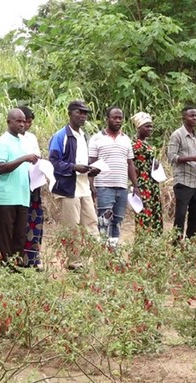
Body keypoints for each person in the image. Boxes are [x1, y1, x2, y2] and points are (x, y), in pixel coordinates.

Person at [48, 100, 100, 270]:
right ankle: (74, 262)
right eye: (79, 112)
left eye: (85, 113)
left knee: (91, 223)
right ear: (70, 113)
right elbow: (54, 162)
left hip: (84, 186)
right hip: (68, 188)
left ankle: (97, 259)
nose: (83, 116)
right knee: (72, 227)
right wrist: (73, 168)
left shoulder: (83, 136)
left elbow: (82, 162)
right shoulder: (61, 136)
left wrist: (90, 171)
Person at [88, 106, 139, 248]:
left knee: (117, 220)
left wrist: (135, 185)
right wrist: (91, 185)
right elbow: (91, 164)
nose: (117, 120)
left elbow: (130, 164)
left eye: (120, 118)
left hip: (122, 187)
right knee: (104, 219)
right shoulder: (96, 139)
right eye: (114, 118)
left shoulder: (126, 139)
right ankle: (103, 252)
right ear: (107, 119)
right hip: (104, 186)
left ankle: (113, 251)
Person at [0, 108, 38, 266]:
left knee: (20, 236)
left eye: (24, 121)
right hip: (6, 198)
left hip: (22, 196)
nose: (22, 124)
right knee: (5, 237)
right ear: (8, 122)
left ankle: (16, 269)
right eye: (18, 121)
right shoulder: (2, 142)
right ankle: (5, 268)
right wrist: (24, 158)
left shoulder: (23, 141)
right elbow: (2, 168)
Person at [167, 106, 196, 240]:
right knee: (180, 215)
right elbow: (171, 157)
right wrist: (192, 158)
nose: (194, 118)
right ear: (183, 118)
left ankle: (190, 242)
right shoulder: (177, 135)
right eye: (191, 116)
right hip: (183, 181)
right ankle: (176, 244)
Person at [130, 112, 163, 235]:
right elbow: (130, 164)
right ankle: (144, 243)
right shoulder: (134, 144)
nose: (150, 129)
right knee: (145, 213)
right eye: (147, 126)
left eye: (151, 126)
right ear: (138, 127)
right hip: (143, 184)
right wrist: (135, 184)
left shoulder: (145, 143)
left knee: (153, 212)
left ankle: (154, 244)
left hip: (151, 183)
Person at [19, 106, 44, 268]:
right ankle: (20, 259)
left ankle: (33, 259)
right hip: (19, 185)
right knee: (21, 222)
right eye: (24, 121)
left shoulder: (31, 138)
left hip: (34, 184)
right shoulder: (10, 139)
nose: (27, 125)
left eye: (29, 122)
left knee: (35, 221)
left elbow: (37, 157)